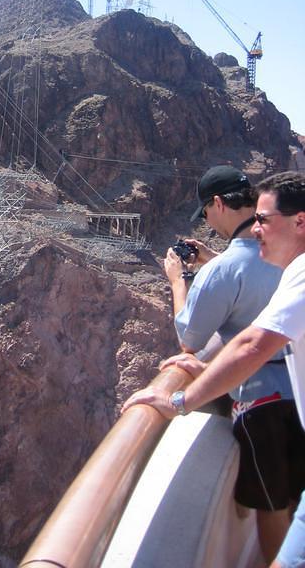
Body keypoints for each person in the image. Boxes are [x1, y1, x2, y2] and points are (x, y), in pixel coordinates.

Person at [122, 171, 305, 568]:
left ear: (218, 204)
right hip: (296, 394)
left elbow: (194, 337)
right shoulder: (284, 260)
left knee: (274, 507)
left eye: (206, 212)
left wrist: (178, 281)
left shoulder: (228, 271)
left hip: (262, 401)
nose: (258, 229)